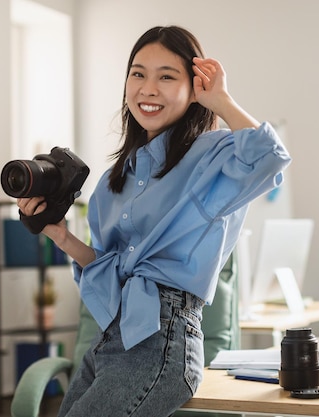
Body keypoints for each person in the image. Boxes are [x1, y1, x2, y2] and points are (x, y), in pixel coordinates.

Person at [17, 25, 291, 416]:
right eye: (138, 73)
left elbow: (270, 157)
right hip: (111, 339)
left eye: (167, 76)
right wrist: (61, 236)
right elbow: (109, 272)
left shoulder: (211, 156)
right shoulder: (114, 181)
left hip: (165, 340)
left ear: (193, 88)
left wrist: (222, 100)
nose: (148, 88)